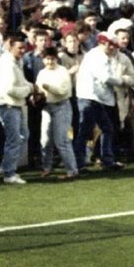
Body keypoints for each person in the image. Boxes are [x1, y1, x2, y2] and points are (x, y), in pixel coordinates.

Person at [74, 32, 128, 172]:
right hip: (90, 97)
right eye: (109, 45)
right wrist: (122, 81)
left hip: (94, 98)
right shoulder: (97, 57)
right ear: (101, 43)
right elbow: (105, 78)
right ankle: (80, 164)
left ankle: (106, 160)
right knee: (86, 132)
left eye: (113, 45)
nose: (112, 48)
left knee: (106, 128)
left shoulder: (98, 55)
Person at [0, 34, 33, 185]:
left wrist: (29, 87)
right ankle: (9, 173)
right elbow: (9, 89)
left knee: (23, 135)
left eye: (24, 47)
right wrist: (29, 89)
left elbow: (21, 82)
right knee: (14, 138)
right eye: (19, 48)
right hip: (7, 105)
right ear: (10, 46)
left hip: (15, 105)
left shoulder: (18, 61)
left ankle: (6, 167)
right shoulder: (6, 63)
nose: (23, 51)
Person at [35, 47, 78, 179]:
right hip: (46, 108)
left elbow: (63, 91)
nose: (49, 62)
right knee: (45, 140)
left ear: (56, 59)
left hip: (62, 107)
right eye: (47, 59)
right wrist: (35, 96)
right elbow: (38, 89)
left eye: (52, 59)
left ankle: (72, 170)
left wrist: (48, 87)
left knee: (62, 141)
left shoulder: (62, 71)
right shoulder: (41, 73)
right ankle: (47, 168)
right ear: (43, 60)